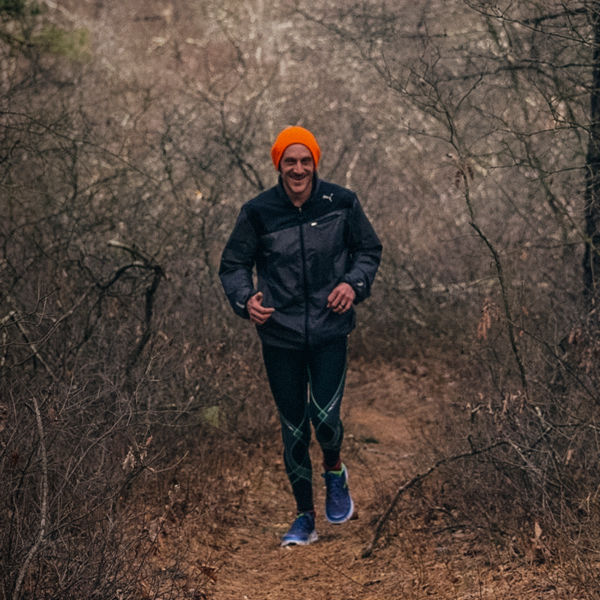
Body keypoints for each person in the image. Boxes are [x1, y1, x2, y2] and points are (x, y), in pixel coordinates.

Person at [219, 126, 382, 546]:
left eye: (304, 160)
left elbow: (368, 251)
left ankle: (334, 470)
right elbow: (233, 266)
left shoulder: (341, 202)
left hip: (330, 329)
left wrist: (353, 285)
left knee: (325, 419)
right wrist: (244, 301)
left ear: (315, 163)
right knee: (294, 428)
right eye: (289, 161)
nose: (297, 168)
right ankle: (304, 518)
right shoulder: (258, 211)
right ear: (279, 164)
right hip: (279, 334)